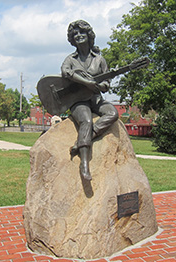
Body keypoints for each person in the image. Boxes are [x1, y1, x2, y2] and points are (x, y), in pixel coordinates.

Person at [61, 20, 119, 181]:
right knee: (86, 120)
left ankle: (83, 140)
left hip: (95, 98)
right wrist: (86, 82)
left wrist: (100, 86)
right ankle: (84, 164)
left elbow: (106, 85)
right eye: (75, 34)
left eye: (82, 32)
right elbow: (66, 72)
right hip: (78, 101)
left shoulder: (99, 59)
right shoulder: (71, 59)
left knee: (112, 113)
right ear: (72, 39)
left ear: (89, 35)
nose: (79, 36)